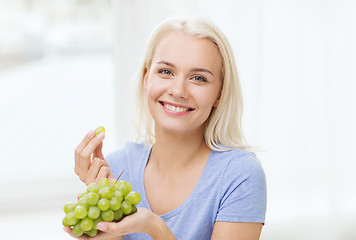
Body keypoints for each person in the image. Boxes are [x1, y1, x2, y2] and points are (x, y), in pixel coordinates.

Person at [65, 15, 267, 240]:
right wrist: (109, 225)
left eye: (198, 78)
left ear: (219, 93)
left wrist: (154, 226)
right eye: (166, 72)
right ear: (145, 78)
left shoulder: (239, 175)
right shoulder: (117, 168)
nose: (178, 90)